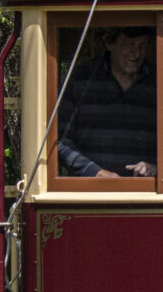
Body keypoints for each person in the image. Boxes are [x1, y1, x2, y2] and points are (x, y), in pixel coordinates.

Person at [55, 26, 157, 178]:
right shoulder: (80, 79)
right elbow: (59, 140)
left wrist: (155, 167)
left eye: (142, 45)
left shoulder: (158, 82)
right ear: (109, 44)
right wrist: (94, 172)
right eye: (129, 45)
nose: (136, 53)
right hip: (89, 194)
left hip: (147, 193)